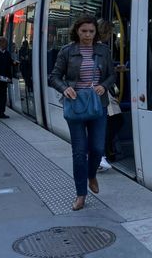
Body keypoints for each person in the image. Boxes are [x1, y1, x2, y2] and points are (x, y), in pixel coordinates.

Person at [48, 16, 116, 211]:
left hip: (98, 105)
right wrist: (64, 88)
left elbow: (111, 75)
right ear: (76, 31)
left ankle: (92, 173)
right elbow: (54, 76)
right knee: (79, 152)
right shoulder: (67, 51)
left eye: (91, 31)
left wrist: (104, 86)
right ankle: (80, 194)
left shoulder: (103, 50)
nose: (87, 35)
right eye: (84, 31)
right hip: (75, 104)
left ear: (96, 32)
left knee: (96, 148)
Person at [96, 19, 123, 170]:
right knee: (115, 121)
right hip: (104, 92)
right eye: (110, 32)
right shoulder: (102, 48)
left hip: (102, 91)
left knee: (109, 123)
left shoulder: (96, 47)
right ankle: (102, 153)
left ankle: (103, 153)